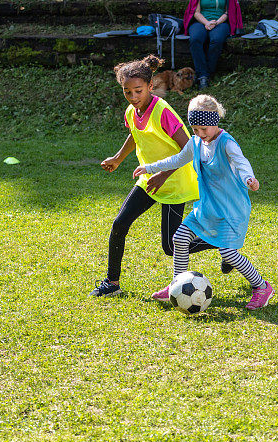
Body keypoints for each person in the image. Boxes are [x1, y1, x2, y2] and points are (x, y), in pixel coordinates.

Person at [134, 94, 274, 310]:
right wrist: (150, 167)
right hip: (206, 208)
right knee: (180, 239)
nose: (200, 134)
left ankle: (261, 286)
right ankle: (177, 285)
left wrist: (249, 179)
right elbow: (177, 159)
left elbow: (241, 162)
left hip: (231, 209)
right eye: (195, 129)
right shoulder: (195, 142)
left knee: (228, 253)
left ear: (214, 122)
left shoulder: (226, 143)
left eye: (204, 129)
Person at [92, 55, 216, 298]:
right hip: (150, 179)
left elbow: (188, 148)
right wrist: (118, 158)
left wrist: (163, 175)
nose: (133, 96)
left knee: (171, 247)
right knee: (119, 224)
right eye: (127, 92)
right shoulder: (132, 111)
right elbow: (136, 135)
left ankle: (222, 243)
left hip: (174, 181)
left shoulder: (163, 111)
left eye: (138, 91)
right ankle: (112, 282)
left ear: (150, 86)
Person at [182, 0, 243, 88]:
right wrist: (207, 23)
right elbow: (196, 12)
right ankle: (202, 75)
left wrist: (216, 22)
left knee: (217, 40)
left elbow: (227, 12)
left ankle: (207, 73)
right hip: (200, 22)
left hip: (220, 22)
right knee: (195, 39)